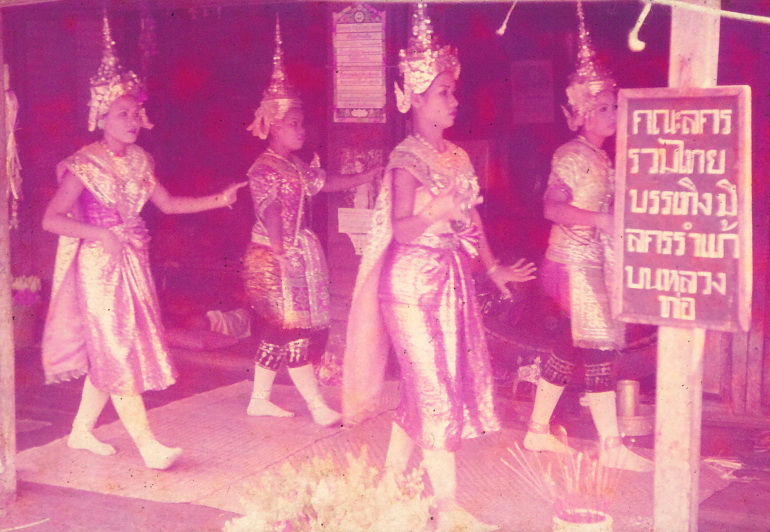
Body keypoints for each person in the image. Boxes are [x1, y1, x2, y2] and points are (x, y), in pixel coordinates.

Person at [342, 5, 535, 530]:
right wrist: (436, 211)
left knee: (423, 387)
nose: (454, 101)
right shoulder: (406, 159)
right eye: (443, 93)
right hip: (409, 286)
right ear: (416, 98)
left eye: (453, 92)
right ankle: (447, 508)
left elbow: (471, 218)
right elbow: (403, 230)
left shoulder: (456, 156)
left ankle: (388, 486)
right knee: (434, 392)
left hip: (448, 282)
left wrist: (491, 268)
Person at [40, 15, 246, 470]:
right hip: (99, 265)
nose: (132, 121)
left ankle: (80, 432)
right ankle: (149, 446)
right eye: (122, 114)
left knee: (114, 348)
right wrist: (100, 233)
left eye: (135, 113)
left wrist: (220, 199)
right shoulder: (83, 165)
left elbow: (167, 204)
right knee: (117, 348)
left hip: (132, 260)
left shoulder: (139, 160)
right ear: (101, 118)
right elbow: (51, 220)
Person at [522, 2, 652, 473]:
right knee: (594, 348)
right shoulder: (572, 155)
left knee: (573, 347)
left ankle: (539, 430)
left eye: (612, 104)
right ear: (578, 114)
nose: (611, 112)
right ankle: (609, 444)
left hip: (589, 265)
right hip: (572, 266)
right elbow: (551, 208)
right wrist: (600, 221)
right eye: (601, 108)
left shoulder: (600, 155)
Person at [243, 18, 379, 425]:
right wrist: (282, 252)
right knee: (292, 328)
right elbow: (270, 212)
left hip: (290, 252)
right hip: (273, 256)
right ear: (273, 126)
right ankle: (317, 405)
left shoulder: (295, 165)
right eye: (293, 125)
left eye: (302, 123)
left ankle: (259, 398)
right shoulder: (264, 168)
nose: (301, 130)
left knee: (278, 328)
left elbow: (325, 183)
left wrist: (365, 176)